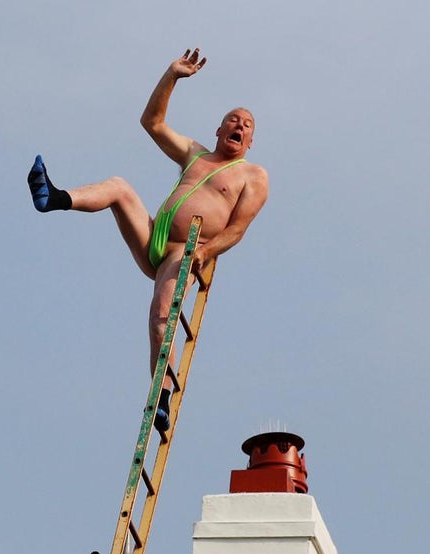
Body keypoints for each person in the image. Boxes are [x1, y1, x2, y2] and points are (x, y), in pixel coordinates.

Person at [27, 48, 269, 432]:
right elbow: (152, 122)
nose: (239, 126)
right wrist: (172, 75)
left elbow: (237, 229)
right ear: (219, 130)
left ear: (251, 140)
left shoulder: (252, 176)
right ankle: (55, 198)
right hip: (152, 234)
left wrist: (203, 252)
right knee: (119, 187)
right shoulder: (195, 154)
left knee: (161, 317)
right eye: (232, 121)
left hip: (184, 251)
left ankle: (162, 395)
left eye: (247, 125)